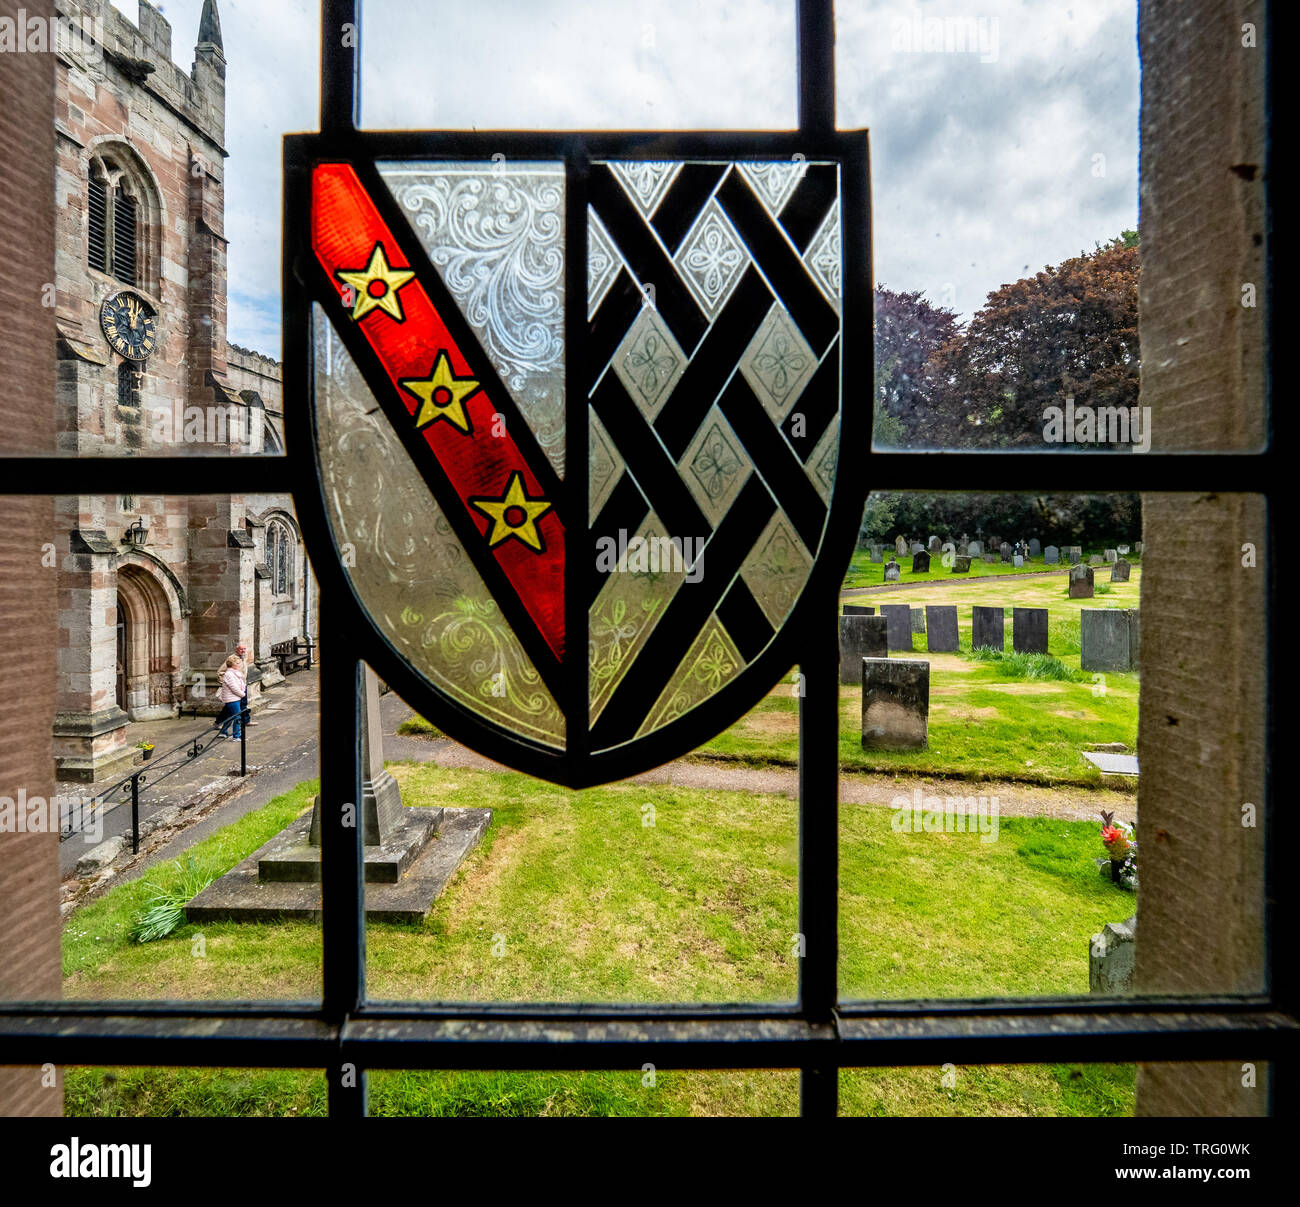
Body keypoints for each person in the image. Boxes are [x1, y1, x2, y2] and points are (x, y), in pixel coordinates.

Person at [215, 655, 246, 741]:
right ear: (232, 664)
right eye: (237, 663)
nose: (239, 665)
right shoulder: (229, 674)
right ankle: (237, 736)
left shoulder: (234, 673)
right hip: (232, 699)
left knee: (230, 717)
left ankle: (223, 732)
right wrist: (243, 694)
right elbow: (234, 688)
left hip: (235, 698)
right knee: (237, 717)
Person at [234, 642, 255, 726]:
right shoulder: (232, 659)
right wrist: (225, 683)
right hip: (235, 687)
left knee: (243, 704)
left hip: (243, 685)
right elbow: (220, 672)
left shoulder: (243, 658)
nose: (243, 650)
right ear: (236, 650)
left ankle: (246, 721)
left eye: (244, 649)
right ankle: (218, 722)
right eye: (241, 649)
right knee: (231, 706)